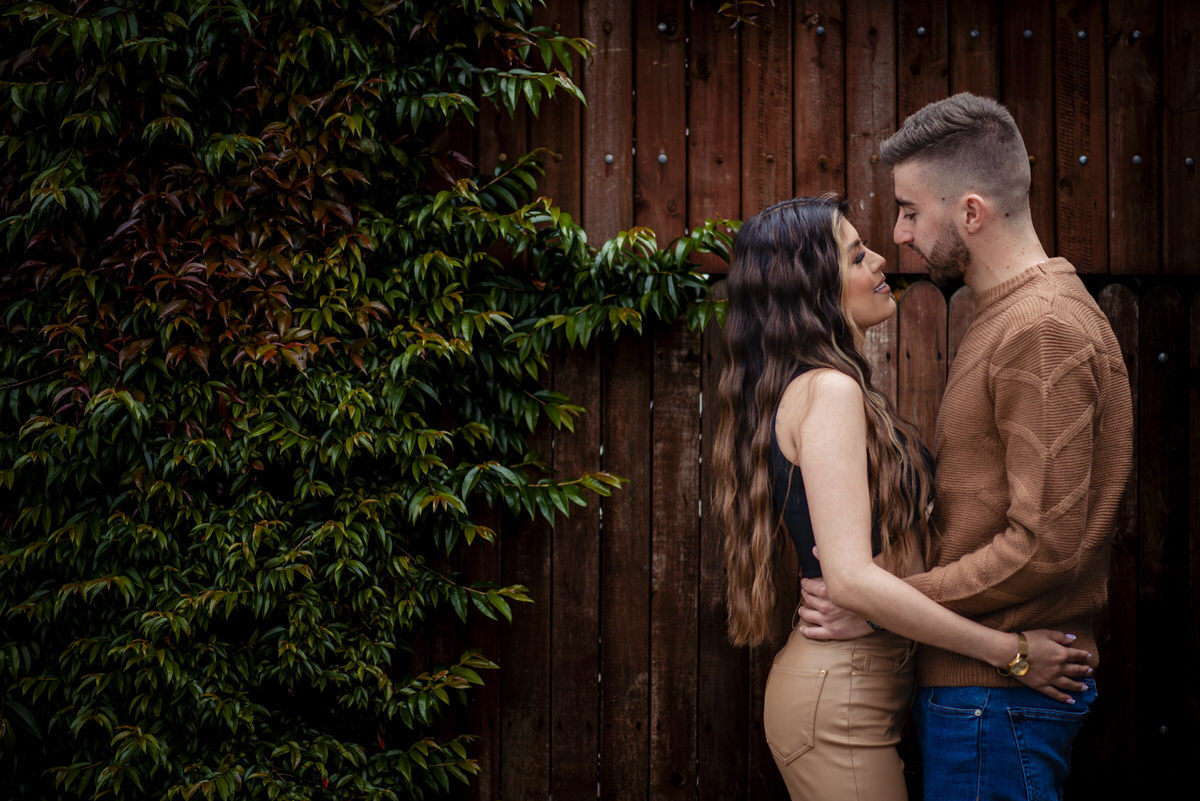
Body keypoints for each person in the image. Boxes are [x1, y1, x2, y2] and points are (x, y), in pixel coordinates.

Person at [796, 94, 1135, 801]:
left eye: (910, 209)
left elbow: (1043, 545)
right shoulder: (1007, 316)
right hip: (987, 695)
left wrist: (882, 601)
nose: (899, 233)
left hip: (999, 701)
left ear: (972, 213)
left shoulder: (1043, 329)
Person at [711, 194, 1092, 801]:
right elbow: (852, 581)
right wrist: (1011, 654)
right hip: (839, 702)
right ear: (813, 289)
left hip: (856, 689)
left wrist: (883, 597)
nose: (883, 258)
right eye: (858, 255)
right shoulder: (829, 390)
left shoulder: (828, 387)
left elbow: (883, 566)